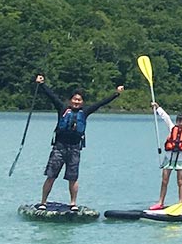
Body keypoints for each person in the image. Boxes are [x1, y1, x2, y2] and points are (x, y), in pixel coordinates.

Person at [32, 75, 123, 209]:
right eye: (74, 99)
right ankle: (43, 202)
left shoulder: (84, 112)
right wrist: (41, 84)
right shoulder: (63, 109)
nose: (76, 102)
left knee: (73, 178)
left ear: (82, 102)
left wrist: (116, 94)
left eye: (79, 100)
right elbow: (51, 96)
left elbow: (101, 103)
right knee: (51, 176)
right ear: (70, 100)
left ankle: (73, 203)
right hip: (59, 147)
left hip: (74, 148)